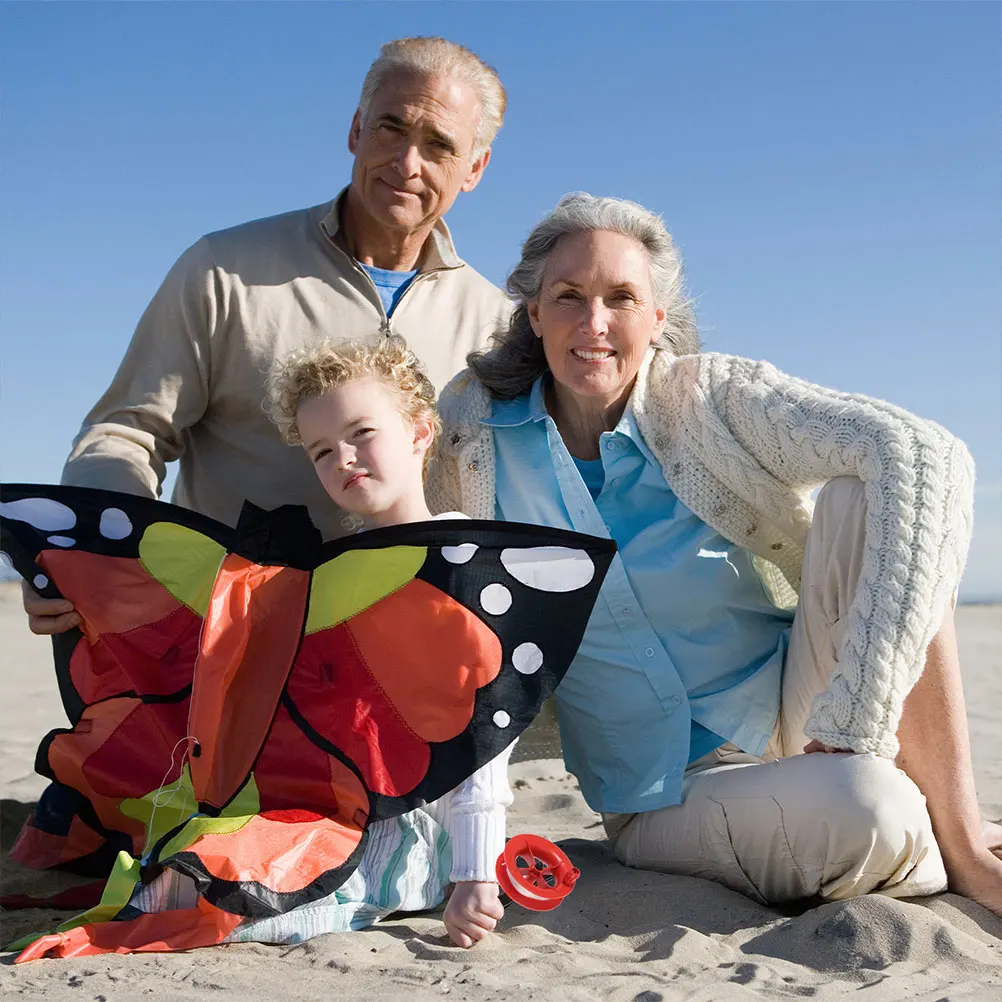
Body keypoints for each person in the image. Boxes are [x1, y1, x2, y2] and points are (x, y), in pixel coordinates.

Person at [427, 192, 1002, 918]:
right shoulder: (471, 437)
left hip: (805, 721)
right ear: (534, 314)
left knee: (866, 501)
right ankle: (929, 825)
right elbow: (417, 579)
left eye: (622, 298)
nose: (594, 322)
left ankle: (959, 838)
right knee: (875, 809)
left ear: (657, 319)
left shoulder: (707, 402)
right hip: (665, 794)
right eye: (569, 296)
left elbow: (926, 456)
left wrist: (853, 721)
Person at [24, 35, 511, 635]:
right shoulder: (222, 270)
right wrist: (89, 550)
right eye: (391, 128)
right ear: (356, 130)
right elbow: (126, 434)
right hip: (216, 635)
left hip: (397, 662)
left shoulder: (499, 327)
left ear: (475, 168)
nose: (408, 163)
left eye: (439, 145)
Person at [125, 337, 512, 949]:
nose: (344, 459)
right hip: (334, 804)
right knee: (187, 866)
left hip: (420, 828)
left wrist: (475, 873)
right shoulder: (337, 574)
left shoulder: (461, 562)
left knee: (226, 899)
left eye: (362, 433)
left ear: (419, 431)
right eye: (322, 451)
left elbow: (484, 737)